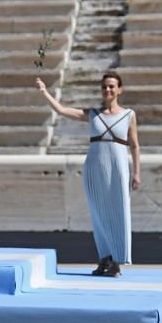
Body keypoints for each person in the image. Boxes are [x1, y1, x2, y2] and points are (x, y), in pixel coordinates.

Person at [36, 72, 140, 277]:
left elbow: (135, 146)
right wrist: (44, 92)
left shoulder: (129, 115)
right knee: (98, 214)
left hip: (118, 168)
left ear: (119, 89)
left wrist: (136, 173)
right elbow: (62, 110)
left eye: (111, 86)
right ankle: (104, 259)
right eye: (104, 87)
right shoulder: (92, 114)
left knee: (119, 213)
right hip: (94, 167)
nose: (107, 90)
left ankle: (117, 262)